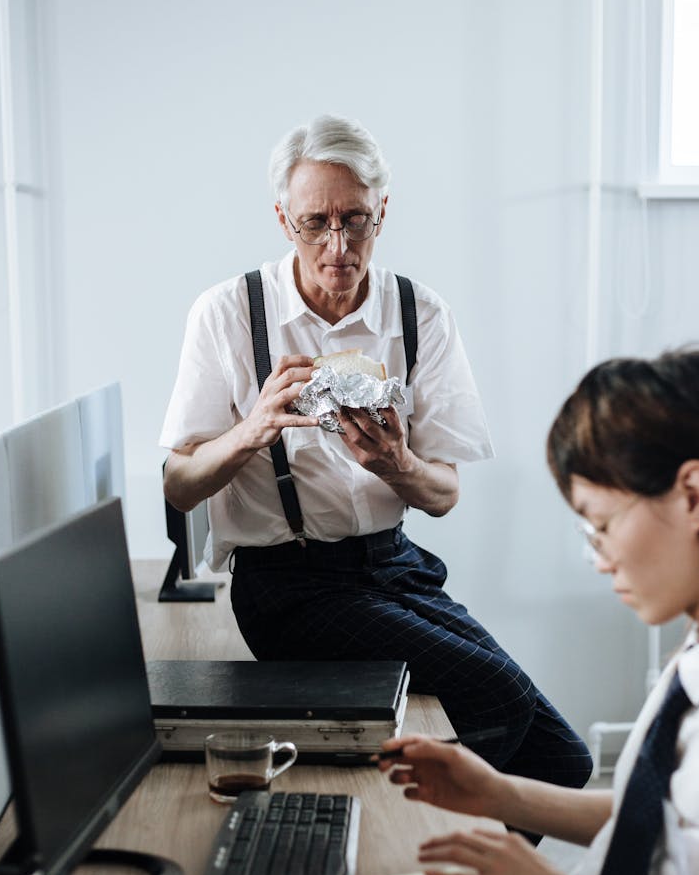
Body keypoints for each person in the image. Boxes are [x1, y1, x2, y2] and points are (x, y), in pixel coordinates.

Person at [160, 113, 591, 791]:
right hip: (289, 586)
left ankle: (457, 864)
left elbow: (444, 494)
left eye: (355, 219)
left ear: (382, 213)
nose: (337, 243)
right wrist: (252, 429)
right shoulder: (228, 314)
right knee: (500, 693)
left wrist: (398, 463)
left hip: (396, 565)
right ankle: (426, 839)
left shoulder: (420, 316)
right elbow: (180, 484)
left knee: (567, 761)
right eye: (316, 222)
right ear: (283, 219)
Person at [380, 347, 699, 875]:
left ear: (694, 496)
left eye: (601, 523)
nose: (597, 556)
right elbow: (677, 821)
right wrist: (503, 794)